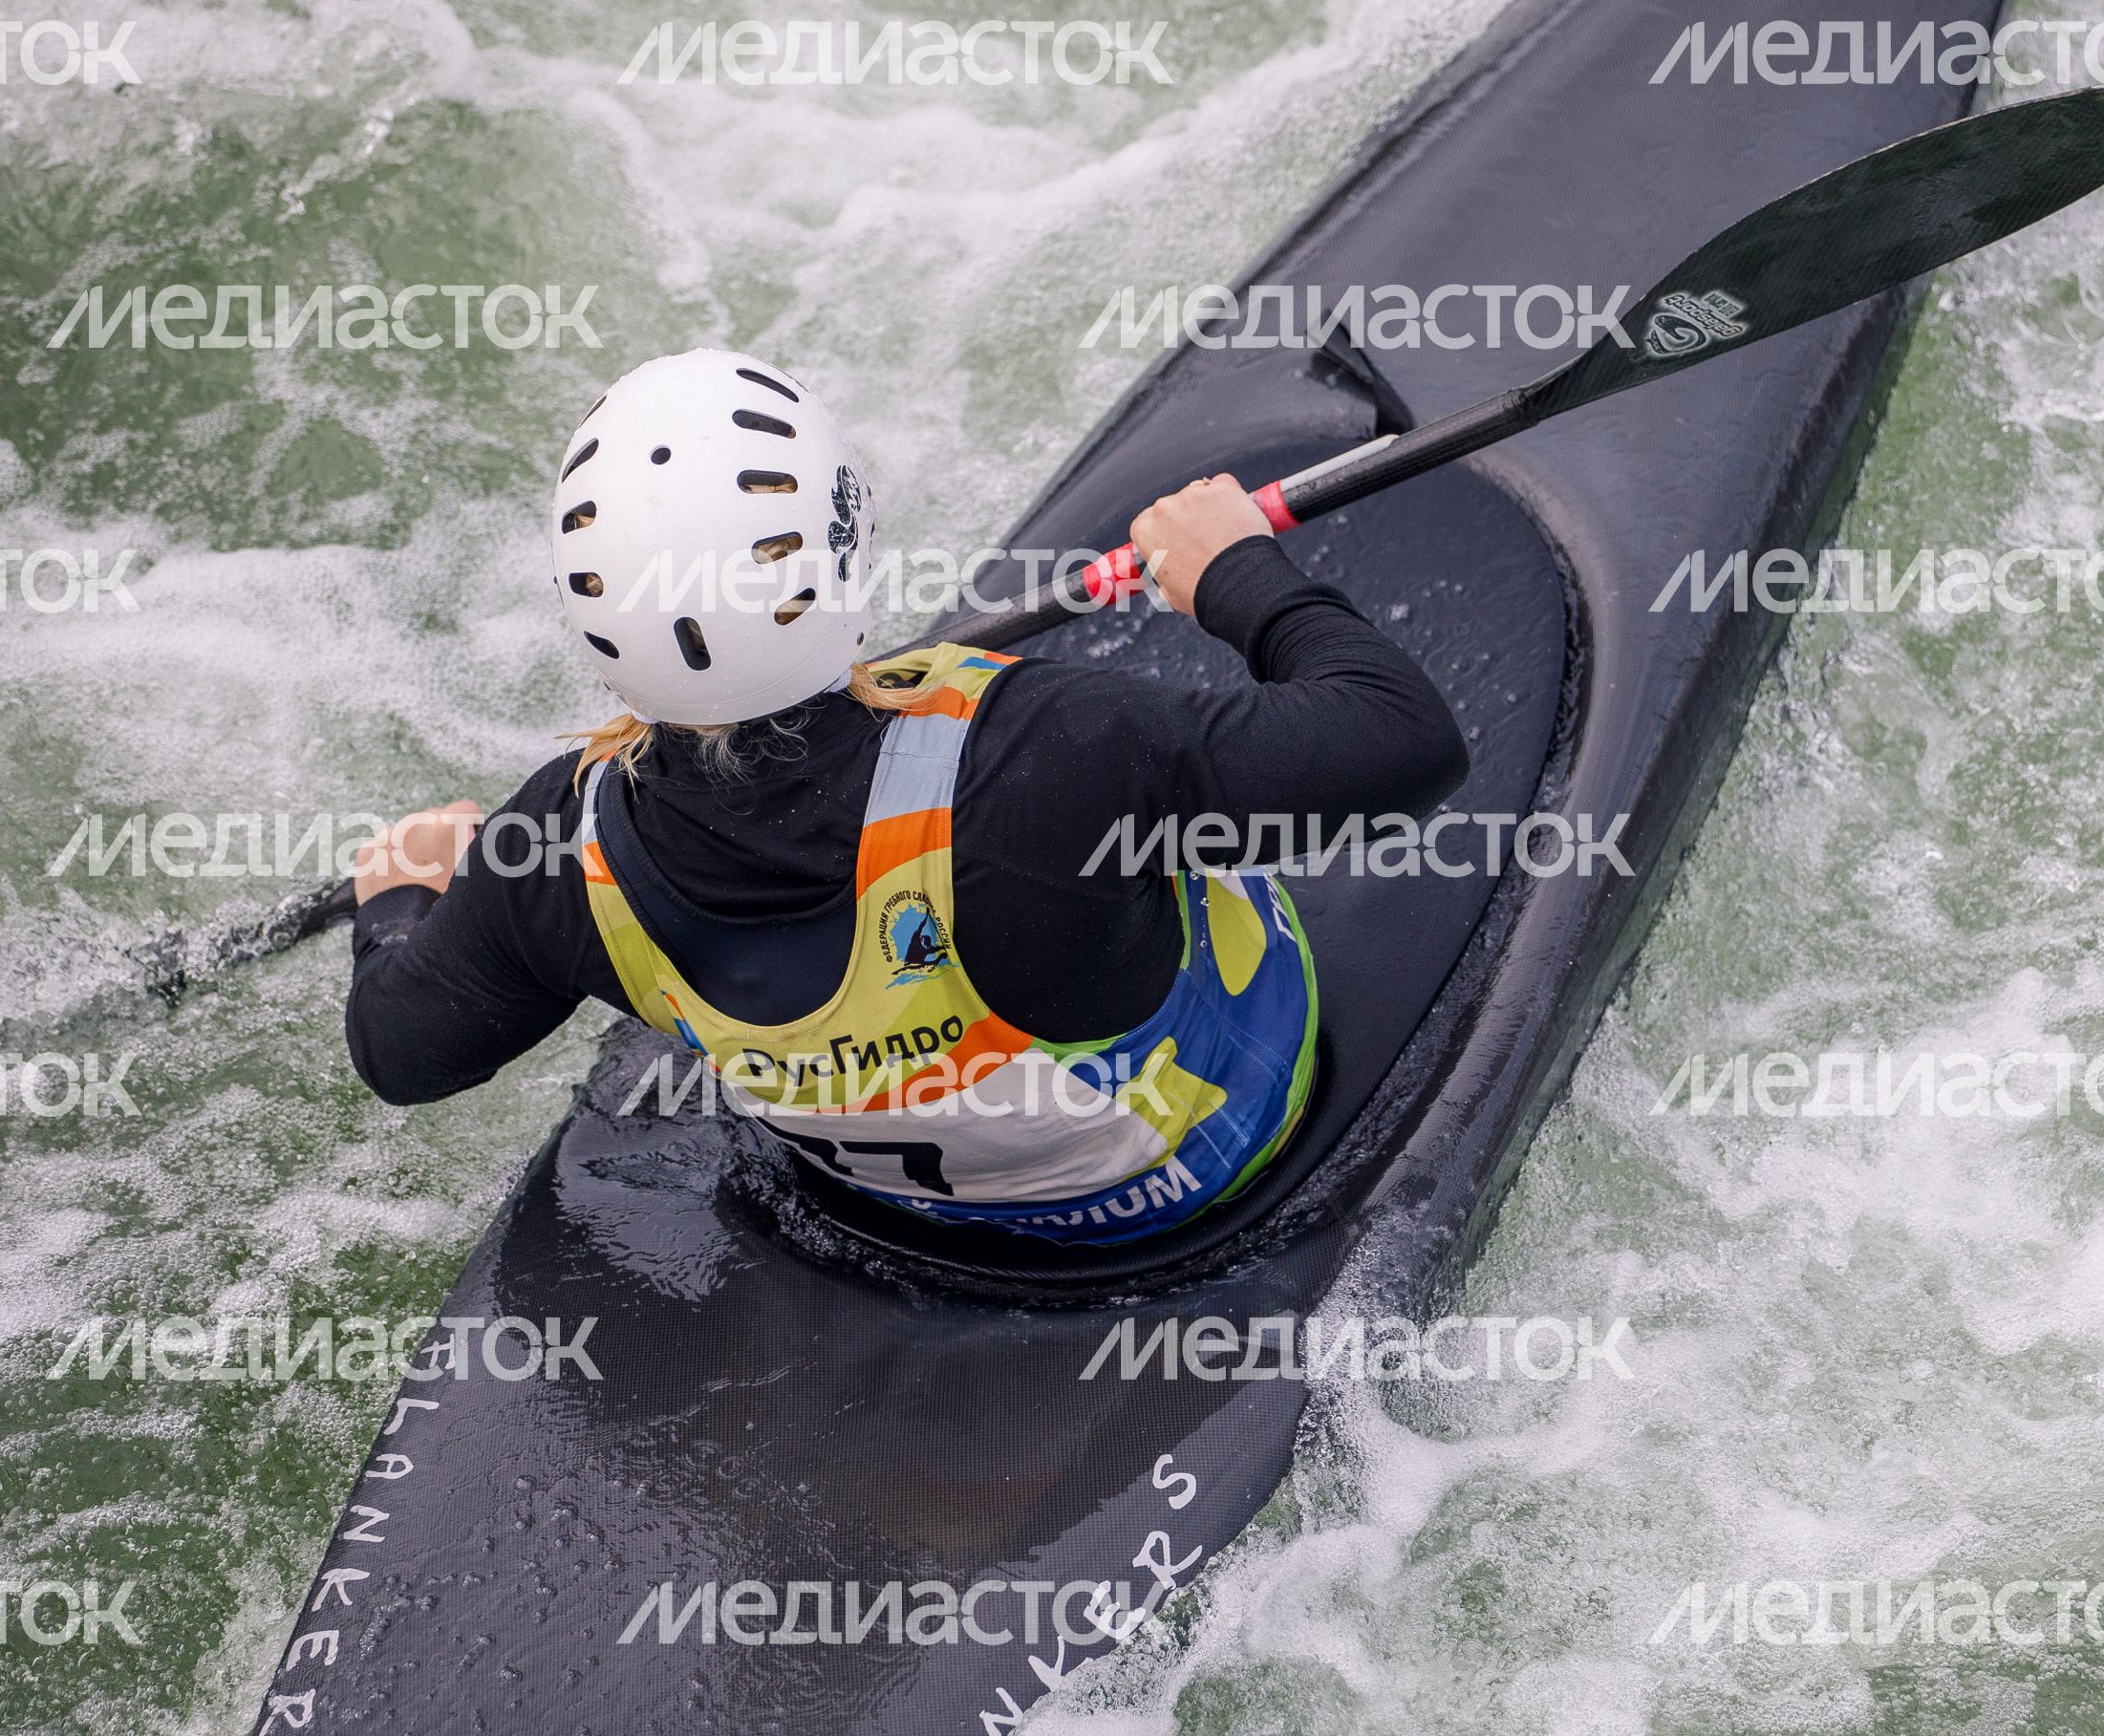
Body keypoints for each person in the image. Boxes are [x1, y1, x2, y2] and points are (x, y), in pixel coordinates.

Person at [343, 348, 1466, 1243]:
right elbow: (1404, 743)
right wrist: (1234, 571)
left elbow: (402, 1055)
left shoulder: (554, 850)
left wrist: (405, 904)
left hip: (915, 1218)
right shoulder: (1050, 750)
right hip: (1211, 1165)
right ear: (843, 547)